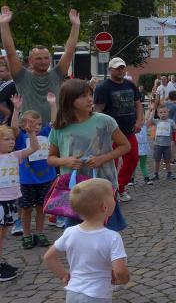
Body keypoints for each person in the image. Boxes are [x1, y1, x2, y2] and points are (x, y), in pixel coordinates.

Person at [43, 178, 130, 303]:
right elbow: (119, 270)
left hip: (73, 292)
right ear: (104, 207)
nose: (115, 200)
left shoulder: (70, 232)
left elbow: (49, 257)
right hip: (97, 295)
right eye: (112, 197)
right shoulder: (112, 237)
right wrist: (124, 279)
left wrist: (63, 275)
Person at [47, 79, 131, 232]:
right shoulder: (59, 127)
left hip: (103, 187)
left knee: (107, 234)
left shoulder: (105, 121)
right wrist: (65, 161)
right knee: (76, 235)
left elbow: (125, 146)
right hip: (75, 192)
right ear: (69, 100)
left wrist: (102, 158)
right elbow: (51, 158)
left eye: (90, 94)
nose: (89, 99)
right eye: (83, 96)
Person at [0, 5, 80, 126]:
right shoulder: (21, 76)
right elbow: (10, 52)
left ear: (50, 59)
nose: (43, 61)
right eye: (38, 58)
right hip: (28, 128)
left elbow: (69, 51)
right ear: (30, 61)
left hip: (55, 128)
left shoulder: (56, 74)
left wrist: (75, 26)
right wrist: (4, 24)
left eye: (46, 58)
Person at [93, 57, 144, 202]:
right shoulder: (103, 87)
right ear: (110, 70)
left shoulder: (130, 85)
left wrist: (139, 121)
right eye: (117, 68)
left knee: (133, 159)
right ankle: (110, 191)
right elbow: (98, 111)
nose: (120, 70)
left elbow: (138, 105)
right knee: (111, 163)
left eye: (122, 67)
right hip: (110, 134)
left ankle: (120, 187)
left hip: (129, 131)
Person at [11, 93, 57, 250]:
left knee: (41, 208)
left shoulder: (46, 133)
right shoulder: (21, 137)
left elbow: (55, 122)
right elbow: (13, 128)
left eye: (39, 124)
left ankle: (39, 232)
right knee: (26, 209)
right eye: (32, 123)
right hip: (27, 180)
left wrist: (52, 104)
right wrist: (16, 109)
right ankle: (26, 234)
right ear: (24, 124)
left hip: (46, 178)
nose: (36, 127)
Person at [0, 124, 41, 280]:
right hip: (0, 202)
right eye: (6, 139)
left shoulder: (15, 156)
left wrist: (31, 133)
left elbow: (35, 147)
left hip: (11, 201)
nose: (11, 142)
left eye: (12, 139)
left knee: (3, 234)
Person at [148, 104, 176, 184]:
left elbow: (175, 129)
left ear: (168, 112)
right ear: (158, 114)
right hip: (158, 145)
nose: (163, 114)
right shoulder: (157, 121)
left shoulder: (171, 121)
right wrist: (152, 110)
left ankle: (169, 173)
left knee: (167, 160)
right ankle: (156, 174)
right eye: (161, 112)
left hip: (167, 145)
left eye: (164, 112)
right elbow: (150, 120)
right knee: (157, 160)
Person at [0, 59, 17, 125]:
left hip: (14, 120)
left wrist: (6, 112)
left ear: (9, 71)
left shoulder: (10, 83)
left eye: (1, 71)